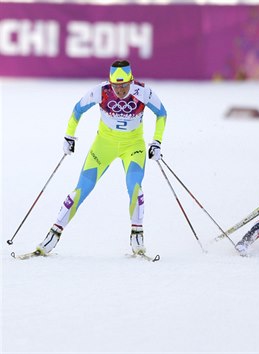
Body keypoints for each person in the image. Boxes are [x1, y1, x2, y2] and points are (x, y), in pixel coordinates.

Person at [35, 60, 167, 256]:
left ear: (131, 80)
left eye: (124, 85)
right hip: (104, 146)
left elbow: (162, 114)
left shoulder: (143, 92)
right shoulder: (101, 91)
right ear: (110, 82)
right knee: (81, 190)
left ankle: (137, 235)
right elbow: (78, 110)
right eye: (116, 86)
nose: (121, 90)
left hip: (133, 147)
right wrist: (69, 136)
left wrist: (156, 142)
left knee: (135, 188)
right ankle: (53, 235)